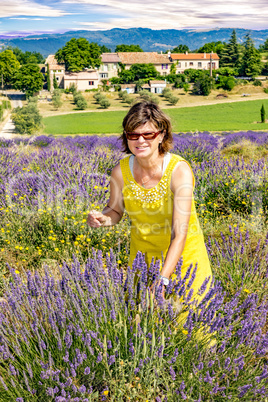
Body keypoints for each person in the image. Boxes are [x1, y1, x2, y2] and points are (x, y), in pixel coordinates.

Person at [87, 101, 212, 304]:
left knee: (189, 327)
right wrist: (103, 219)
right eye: (133, 135)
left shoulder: (178, 171)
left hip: (184, 263)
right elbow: (115, 211)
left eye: (148, 134)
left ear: (161, 135)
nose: (140, 140)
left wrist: (162, 279)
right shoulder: (120, 172)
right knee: (146, 330)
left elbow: (180, 233)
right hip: (142, 263)